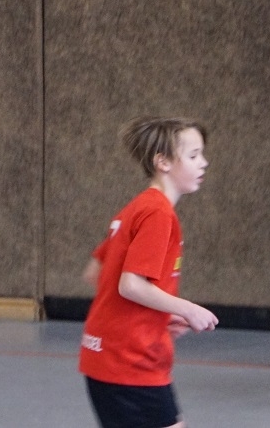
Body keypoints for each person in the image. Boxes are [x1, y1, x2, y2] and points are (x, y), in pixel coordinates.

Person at [79, 116, 219, 428]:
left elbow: (97, 274)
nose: (204, 162)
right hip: (130, 361)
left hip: (105, 355)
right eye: (193, 155)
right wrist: (187, 309)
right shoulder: (158, 213)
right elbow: (130, 285)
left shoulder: (136, 208)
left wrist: (158, 315)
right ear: (163, 162)